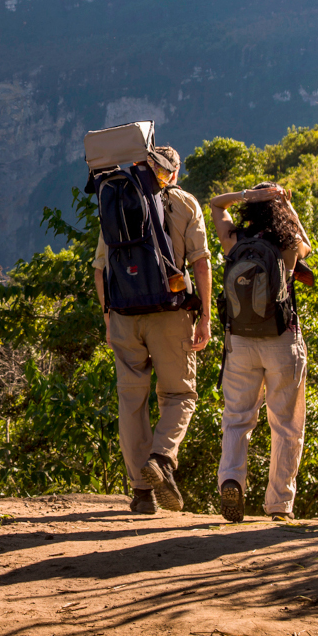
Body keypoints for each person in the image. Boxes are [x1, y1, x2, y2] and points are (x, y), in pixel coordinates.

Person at [93, 145, 212, 514]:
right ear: (173, 174)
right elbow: (201, 262)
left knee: (132, 402)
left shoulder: (118, 195)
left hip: (125, 314)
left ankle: (142, 493)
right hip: (169, 313)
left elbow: (100, 268)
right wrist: (205, 315)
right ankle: (161, 458)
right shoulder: (185, 203)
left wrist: (108, 315)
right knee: (180, 395)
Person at [208, 183, 312, 523]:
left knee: (237, 417)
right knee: (286, 425)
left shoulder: (234, 240)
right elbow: (306, 243)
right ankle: (279, 505)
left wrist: (245, 196)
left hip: (239, 340)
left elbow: (215, 204)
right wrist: (284, 203)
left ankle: (232, 479)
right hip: (282, 339)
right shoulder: (288, 244)